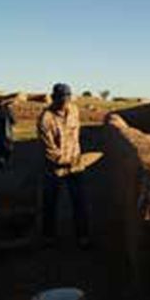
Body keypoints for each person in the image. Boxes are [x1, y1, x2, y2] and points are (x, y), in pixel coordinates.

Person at [37, 83, 91, 249]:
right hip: (54, 170)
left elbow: (76, 135)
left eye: (67, 97)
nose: (64, 101)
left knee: (79, 202)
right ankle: (48, 237)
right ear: (53, 98)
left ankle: (83, 237)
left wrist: (77, 158)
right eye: (61, 98)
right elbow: (49, 150)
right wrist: (68, 160)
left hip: (76, 168)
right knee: (50, 203)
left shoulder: (74, 111)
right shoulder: (45, 119)